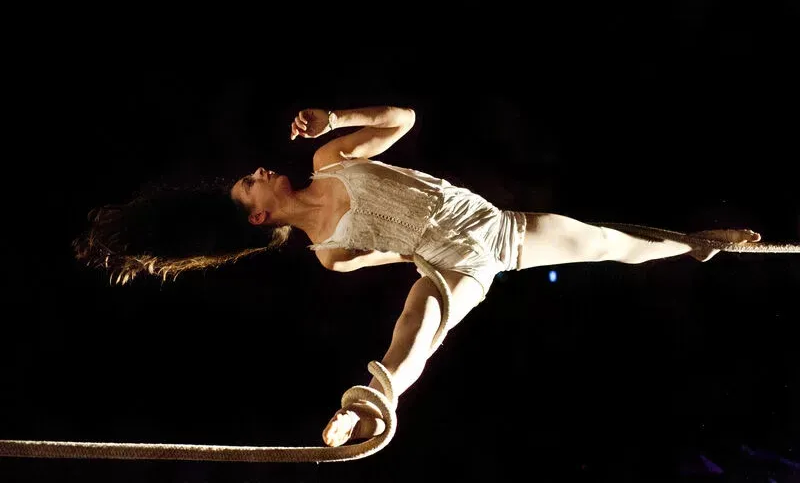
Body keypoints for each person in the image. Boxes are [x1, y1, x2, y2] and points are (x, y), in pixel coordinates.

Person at [74, 105, 762, 447]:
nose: (256, 171)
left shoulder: (331, 160)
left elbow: (403, 117)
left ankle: (701, 244)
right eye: (249, 185)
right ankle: (367, 404)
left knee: (611, 243)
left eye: (249, 173)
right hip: (461, 261)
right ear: (258, 217)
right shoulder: (330, 253)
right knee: (420, 317)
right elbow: (403, 256)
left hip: (500, 228)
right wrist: (431, 265)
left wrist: (337, 117)